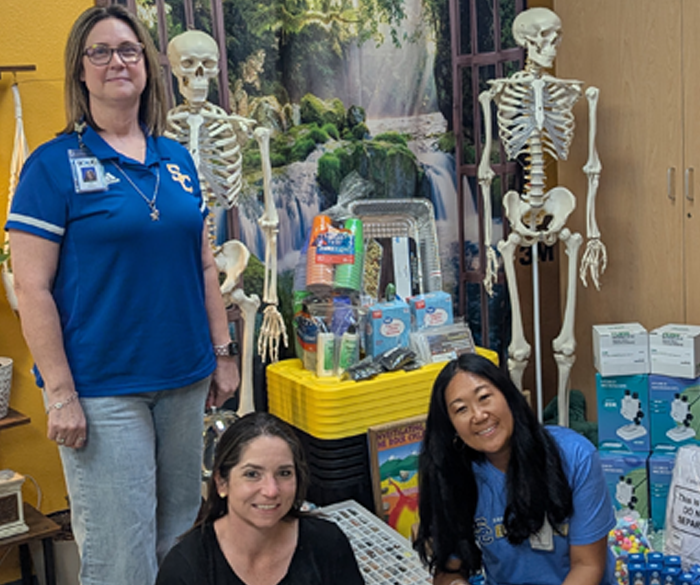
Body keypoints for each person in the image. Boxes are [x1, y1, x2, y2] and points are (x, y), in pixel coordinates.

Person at [5, 6, 239, 584]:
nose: (117, 62)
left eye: (129, 50)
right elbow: (30, 286)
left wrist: (223, 353)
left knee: (180, 536)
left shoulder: (176, 159)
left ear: (146, 67)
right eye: (101, 52)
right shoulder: (52, 166)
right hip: (105, 390)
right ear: (80, 72)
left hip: (185, 379)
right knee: (121, 554)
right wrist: (60, 394)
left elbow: (204, 265)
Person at [413, 353, 616, 585]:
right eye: (461, 410)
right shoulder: (455, 474)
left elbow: (588, 566)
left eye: (484, 397)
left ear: (508, 396)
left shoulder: (575, 456)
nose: (479, 416)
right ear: (451, 426)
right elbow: (449, 570)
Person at [155, 412, 365, 585]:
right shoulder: (186, 568)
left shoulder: (327, 544)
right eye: (252, 474)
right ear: (221, 482)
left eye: (284, 473)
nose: (271, 490)